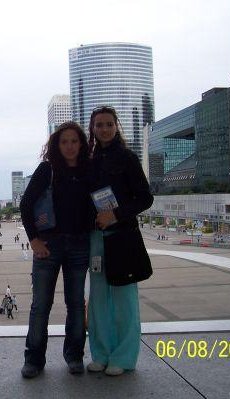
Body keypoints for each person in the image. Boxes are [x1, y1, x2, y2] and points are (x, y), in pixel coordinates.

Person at [20, 121, 93, 378]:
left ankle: (74, 356)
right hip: (48, 246)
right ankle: (34, 359)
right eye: (64, 142)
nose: (70, 146)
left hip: (79, 245)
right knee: (41, 305)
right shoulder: (47, 170)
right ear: (56, 145)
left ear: (81, 144)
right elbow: (26, 204)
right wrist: (34, 240)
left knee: (75, 304)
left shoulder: (88, 170)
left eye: (74, 141)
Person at [87, 106, 153, 376]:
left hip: (122, 236)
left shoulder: (127, 158)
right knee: (99, 299)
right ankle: (100, 353)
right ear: (92, 128)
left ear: (116, 127)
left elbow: (145, 198)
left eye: (109, 124)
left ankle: (124, 357)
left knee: (125, 299)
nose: (104, 129)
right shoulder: (88, 160)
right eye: (99, 125)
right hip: (96, 239)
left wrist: (115, 215)